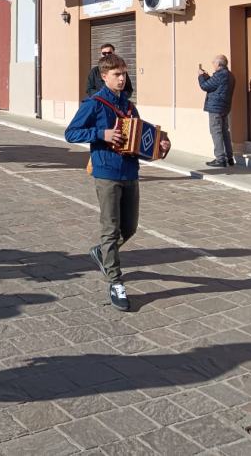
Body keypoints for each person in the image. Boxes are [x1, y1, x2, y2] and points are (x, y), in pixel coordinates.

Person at [65, 53, 170, 312]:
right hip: (107, 172)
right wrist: (102, 134)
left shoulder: (129, 107)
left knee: (130, 228)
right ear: (104, 76)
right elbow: (71, 133)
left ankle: (102, 252)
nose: (122, 79)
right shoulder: (94, 104)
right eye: (116, 75)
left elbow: (142, 139)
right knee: (110, 229)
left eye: (124, 74)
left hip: (130, 172)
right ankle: (115, 281)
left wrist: (161, 145)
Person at [198, 54, 235, 168]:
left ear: (219, 64)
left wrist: (201, 76)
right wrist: (208, 77)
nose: (213, 65)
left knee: (216, 132)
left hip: (215, 108)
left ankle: (220, 159)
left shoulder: (220, 75)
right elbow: (215, 86)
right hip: (225, 107)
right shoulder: (230, 75)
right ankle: (229, 158)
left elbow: (205, 86)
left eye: (214, 63)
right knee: (225, 132)